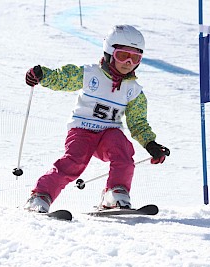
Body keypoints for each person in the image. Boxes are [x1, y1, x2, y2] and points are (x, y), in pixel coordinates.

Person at [24, 25, 170, 213]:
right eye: (122, 55)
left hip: (109, 135)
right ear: (110, 53)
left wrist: (151, 144)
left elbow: (138, 122)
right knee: (75, 161)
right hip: (82, 129)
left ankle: (115, 193)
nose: (128, 62)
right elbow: (64, 78)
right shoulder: (91, 74)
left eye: (134, 58)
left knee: (123, 150)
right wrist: (43, 75)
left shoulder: (134, 91)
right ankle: (40, 196)